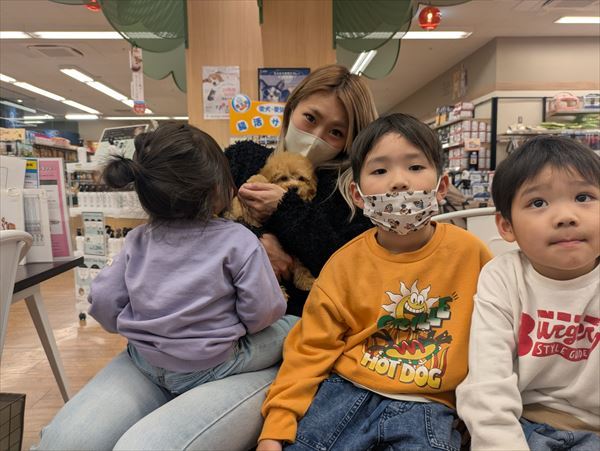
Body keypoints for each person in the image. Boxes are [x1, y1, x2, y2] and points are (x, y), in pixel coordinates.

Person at [34, 123, 297, 450]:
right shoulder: (238, 240)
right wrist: (232, 326)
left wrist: (148, 328)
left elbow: (102, 300)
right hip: (212, 364)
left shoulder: (138, 239)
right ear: (218, 186)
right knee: (293, 326)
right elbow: (263, 312)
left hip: (146, 361)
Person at [257, 113, 493, 451]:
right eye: (380, 171)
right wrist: (278, 423)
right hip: (345, 395)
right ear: (357, 194)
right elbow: (311, 347)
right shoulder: (345, 263)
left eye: (415, 167)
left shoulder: (471, 254)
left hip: (428, 406)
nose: (399, 182)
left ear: (441, 186)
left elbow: (496, 335)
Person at [456, 136, 600, 450]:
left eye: (583, 197)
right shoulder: (502, 278)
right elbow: (488, 385)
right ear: (506, 226)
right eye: (538, 203)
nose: (566, 216)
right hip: (526, 424)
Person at [225, 64, 378, 316]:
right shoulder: (242, 159)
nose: (316, 136)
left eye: (336, 132)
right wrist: (256, 243)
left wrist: (285, 206)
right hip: (232, 318)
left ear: (350, 141)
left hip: (312, 321)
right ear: (292, 108)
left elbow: (348, 268)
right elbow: (204, 222)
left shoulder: (350, 193)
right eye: (310, 118)